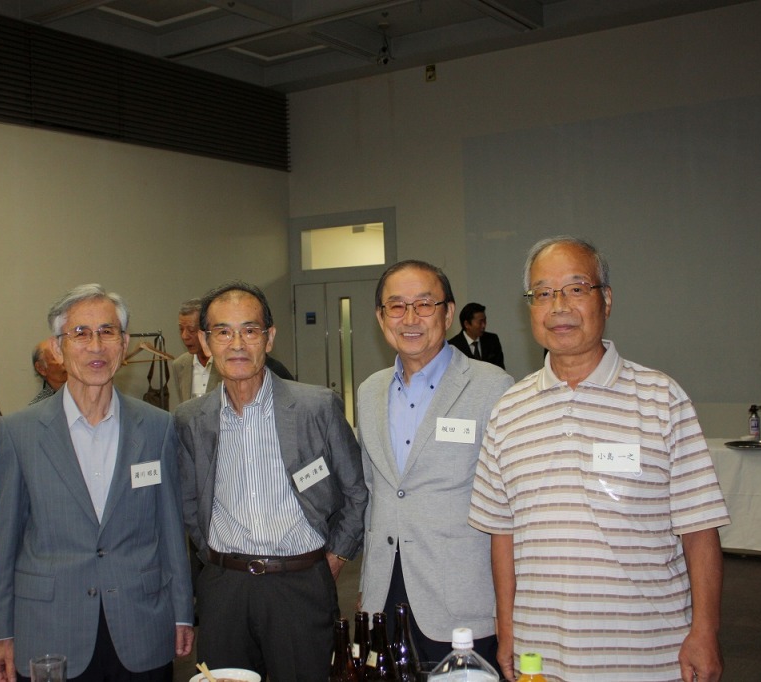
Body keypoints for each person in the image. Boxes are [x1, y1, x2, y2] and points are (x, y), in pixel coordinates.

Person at [468, 237, 730, 682]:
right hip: (540, 656)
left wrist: (706, 631)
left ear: (605, 299)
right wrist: (507, 629)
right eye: (543, 293)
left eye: (575, 289)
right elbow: (501, 534)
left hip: (649, 653)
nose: (559, 306)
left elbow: (700, 528)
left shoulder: (661, 399)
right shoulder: (508, 410)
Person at [0, 284, 194, 682]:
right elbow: (6, 539)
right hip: (50, 627)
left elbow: (171, 529)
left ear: (124, 344)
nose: (96, 346)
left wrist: (183, 611)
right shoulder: (18, 433)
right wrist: (2, 631)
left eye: (107, 332)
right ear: (57, 347)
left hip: (141, 623)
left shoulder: (158, 427)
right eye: (80, 333)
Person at [174, 281, 367, 680]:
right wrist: (217, 564)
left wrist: (334, 558)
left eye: (250, 330)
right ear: (206, 343)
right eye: (223, 332)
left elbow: (356, 492)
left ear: (270, 337)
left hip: (300, 585)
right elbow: (189, 504)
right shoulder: (191, 419)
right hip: (225, 591)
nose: (237, 344)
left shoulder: (316, 407)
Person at [357, 260, 514, 664]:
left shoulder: (493, 388)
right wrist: (366, 587)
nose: (410, 318)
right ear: (381, 317)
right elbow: (375, 492)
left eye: (424, 304)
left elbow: (511, 507)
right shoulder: (369, 391)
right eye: (396, 306)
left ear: (447, 313)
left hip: (461, 600)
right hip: (384, 595)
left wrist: (510, 612)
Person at [168, 298, 222, 411]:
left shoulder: (225, 362)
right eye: (181, 329)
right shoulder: (179, 365)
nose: (184, 336)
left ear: (207, 329)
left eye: (191, 330)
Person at [448, 302, 505, 369]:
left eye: (484, 321)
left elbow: (500, 368)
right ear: (466, 324)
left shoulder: (492, 340)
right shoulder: (453, 346)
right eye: (480, 322)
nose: (483, 325)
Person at [28, 337, 68, 404]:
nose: (64, 361)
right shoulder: (40, 406)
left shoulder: (84, 390)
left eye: (65, 355)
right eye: (55, 358)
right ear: (41, 368)